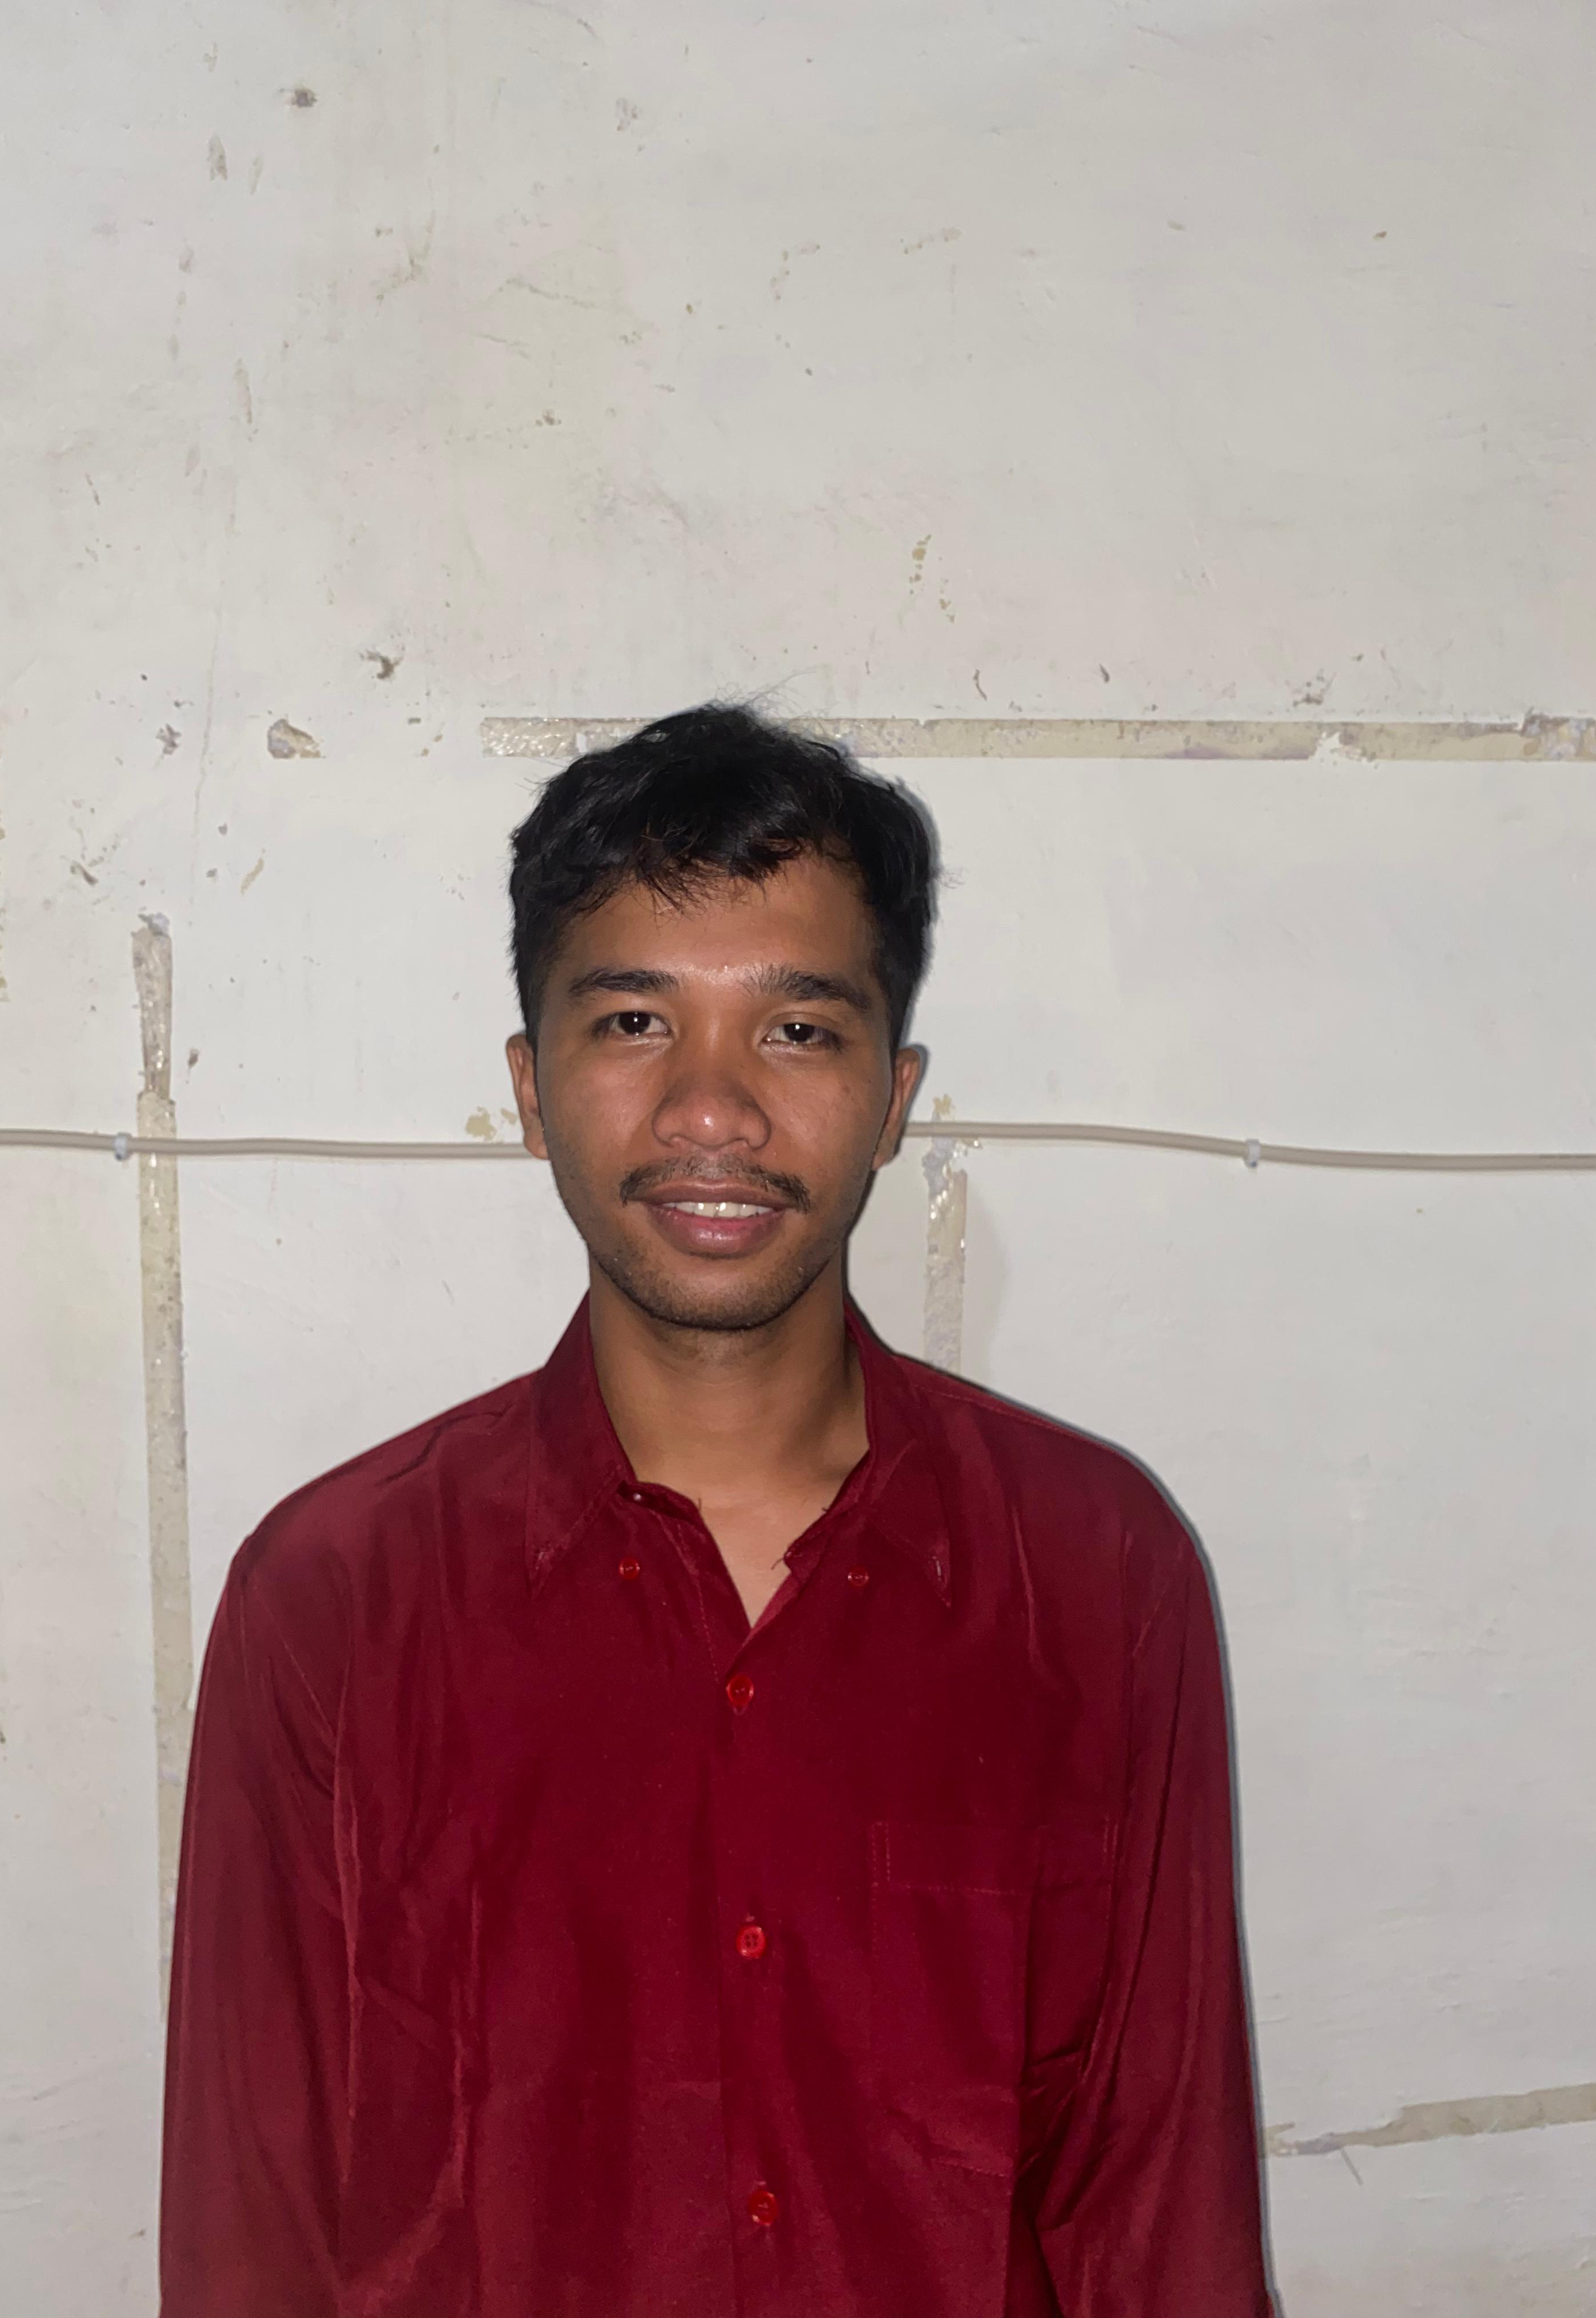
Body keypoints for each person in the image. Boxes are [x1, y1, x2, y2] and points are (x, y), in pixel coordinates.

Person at [159, 704, 1272, 2317]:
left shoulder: (1095, 1568)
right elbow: (252, 2224)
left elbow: (1161, 2208)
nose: (712, 1109)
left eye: (796, 1030)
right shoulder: (334, 1597)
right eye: (635, 1021)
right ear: (530, 1087)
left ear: (893, 1096)